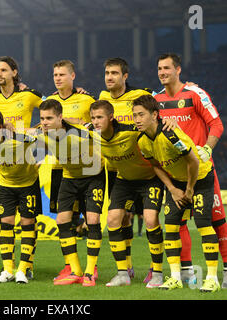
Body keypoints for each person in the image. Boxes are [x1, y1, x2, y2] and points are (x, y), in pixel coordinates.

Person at [154, 52, 227, 289]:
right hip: (175, 174)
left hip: (202, 170)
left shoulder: (195, 94)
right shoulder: (154, 100)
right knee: (177, 223)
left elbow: (217, 124)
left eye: (167, 68)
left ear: (178, 70)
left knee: (216, 219)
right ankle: (186, 272)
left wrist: (207, 150)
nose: (162, 73)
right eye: (159, 69)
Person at [134, 94, 220, 292]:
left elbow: (194, 162)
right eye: (135, 115)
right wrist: (172, 189)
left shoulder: (170, 134)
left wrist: (189, 189)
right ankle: (174, 278)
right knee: (171, 226)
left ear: (155, 114)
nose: (137, 119)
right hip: (176, 183)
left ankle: (212, 278)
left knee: (203, 223)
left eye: (141, 115)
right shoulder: (142, 141)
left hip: (200, 178)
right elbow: (156, 165)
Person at [88, 100, 165, 288]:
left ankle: (157, 272)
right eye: (93, 118)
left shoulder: (131, 131)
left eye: (100, 117)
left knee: (150, 219)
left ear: (111, 117)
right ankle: (122, 273)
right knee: (113, 220)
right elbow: (66, 126)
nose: (96, 121)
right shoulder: (91, 132)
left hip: (149, 179)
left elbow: (154, 126)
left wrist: (168, 122)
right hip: (124, 180)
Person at [37, 99, 104, 287]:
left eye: (49, 118)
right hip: (69, 177)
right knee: (62, 220)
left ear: (60, 117)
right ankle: (75, 271)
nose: (45, 122)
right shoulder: (42, 134)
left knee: (92, 220)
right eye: (42, 118)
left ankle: (90, 271)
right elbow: (21, 135)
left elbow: (102, 132)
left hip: (93, 176)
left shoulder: (81, 133)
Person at [99, 57, 154, 279]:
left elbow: (158, 110)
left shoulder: (139, 96)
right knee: (121, 219)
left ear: (125, 76)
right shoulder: (101, 97)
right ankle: (127, 268)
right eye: (106, 73)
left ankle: (154, 268)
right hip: (115, 171)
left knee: (151, 220)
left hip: (144, 168)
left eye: (114, 73)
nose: (109, 77)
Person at [0, 108, 40, 284]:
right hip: (5, 186)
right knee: (6, 225)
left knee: (28, 224)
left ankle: (23, 269)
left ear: (0, 127)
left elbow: (42, 133)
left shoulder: (21, 140)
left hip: (28, 185)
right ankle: (7, 270)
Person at [45, 60, 95, 278]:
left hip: (85, 168)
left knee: (90, 218)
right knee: (65, 218)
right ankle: (70, 265)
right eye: (55, 74)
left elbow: (94, 123)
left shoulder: (86, 99)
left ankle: (92, 266)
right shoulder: (49, 100)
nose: (58, 78)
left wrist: (66, 120)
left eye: (62, 75)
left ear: (72, 76)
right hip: (59, 167)